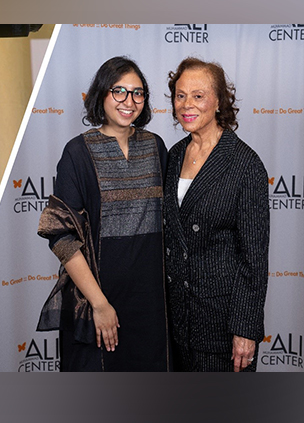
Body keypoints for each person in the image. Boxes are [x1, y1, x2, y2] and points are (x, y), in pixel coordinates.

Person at [37, 56, 169, 372]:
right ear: (101, 95)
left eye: (138, 93)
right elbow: (60, 236)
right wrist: (99, 304)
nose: (129, 101)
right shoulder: (78, 152)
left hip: (152, 304)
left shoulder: (155, 147)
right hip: (96, 301)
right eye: (119, 91)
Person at [163, 57, 269, 372]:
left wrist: (246, 330)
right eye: (180, 95)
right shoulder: (174, 155)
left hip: (221, 329)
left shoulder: (245, 164)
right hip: (177, 323)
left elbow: (254, 260)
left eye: (198, 95)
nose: (186, 105)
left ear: (219, 101)